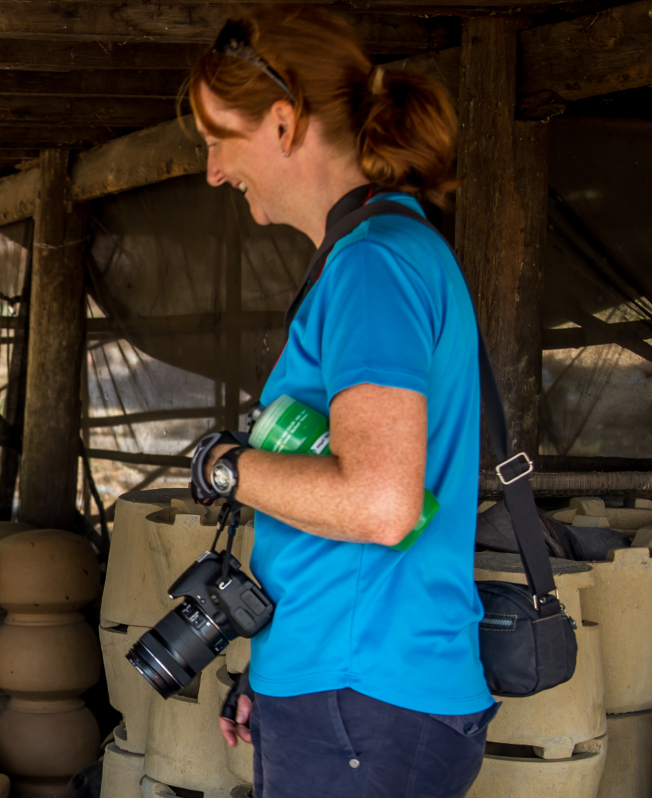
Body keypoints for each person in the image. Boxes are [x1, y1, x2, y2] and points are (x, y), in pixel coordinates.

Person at [185, 7, 497, 797]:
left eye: (219, 138)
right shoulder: (383, 253)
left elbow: (379, 504)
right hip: (352, 684)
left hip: (367, 691)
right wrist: (282, 666)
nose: (215, 170)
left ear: (284, 122)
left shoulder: (373, 266)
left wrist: (226, 469)